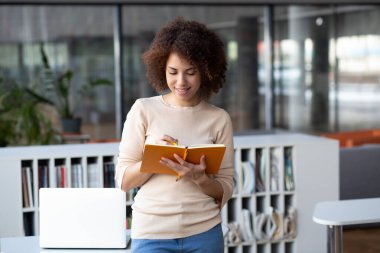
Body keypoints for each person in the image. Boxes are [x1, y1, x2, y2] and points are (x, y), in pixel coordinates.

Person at [115, 17, 234, 253]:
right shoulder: (143, 110)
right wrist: (152, 159)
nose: (181, 82)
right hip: (152, 233)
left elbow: (226, 188)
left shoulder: (219, 119)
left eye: (190, 72)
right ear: (161, 68)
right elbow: (123, 182)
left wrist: (200, 178)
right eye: (173, 72)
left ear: (207, 71)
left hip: (204, 234)